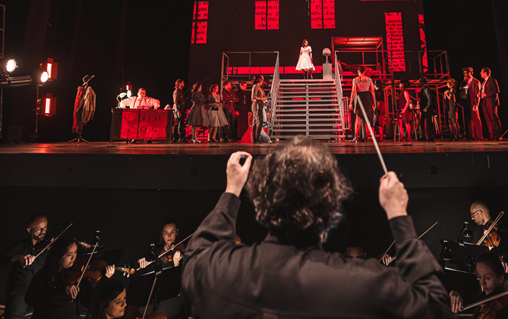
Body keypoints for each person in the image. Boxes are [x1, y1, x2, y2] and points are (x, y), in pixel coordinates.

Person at [182, 139, 453, 318]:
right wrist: (398, 214)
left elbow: (195, 255)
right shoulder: (368, 285)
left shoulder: (216, 274)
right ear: (332, 210)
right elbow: (435, 309)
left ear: (262, 203)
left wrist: (232, 190)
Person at [26, 236, 114, 319]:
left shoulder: (78, 274)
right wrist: (62, 291)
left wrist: (104, 280)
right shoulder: (44, 274)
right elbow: (30, 299)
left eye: (75, 252)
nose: (74, 257)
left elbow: (89, 302)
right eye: (69, 255)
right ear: (58, 256)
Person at [135, 219, 186, 319]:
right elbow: (139, 263)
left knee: (158, 316)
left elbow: (182, 280)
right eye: (166, 233)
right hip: (156, 294)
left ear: (177, 232)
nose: (169, 236)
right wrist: (141, 261)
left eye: (172, 232)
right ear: (162, 234)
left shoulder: (182, 251)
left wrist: (176, 264)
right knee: (139, 313)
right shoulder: (157, 251)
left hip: (174, 295)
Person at [1, 213, 49, 319]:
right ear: (29, 230)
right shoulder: (21, 245)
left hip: (41, 290)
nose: (43, 232)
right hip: (22, 290)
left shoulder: (48, 247)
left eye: (45, 228)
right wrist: (17, 258)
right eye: (39, 229)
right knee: (15, 313)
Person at [449, 252, 508, 319]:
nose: (482, 283)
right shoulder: (482, 298)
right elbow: (459, 302)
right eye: (479, 277)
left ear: (501, 278)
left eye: (487, 278)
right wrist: (453, 294)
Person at [349, 67, 376, 142]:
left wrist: (350, 102)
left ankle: (355, 137)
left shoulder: (355, 79)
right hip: (367, 97)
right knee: (367, 118)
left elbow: (353, 91)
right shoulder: (369, 79)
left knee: (358, 118)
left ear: (358, 71)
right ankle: (366, 136)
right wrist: (374, 102)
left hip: (359, 97)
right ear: (364, 71)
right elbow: (372, 91)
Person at [479, 68, 501, 140]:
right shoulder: (483, 82)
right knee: (487, 119)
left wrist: (486, 94)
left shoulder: (492, 80)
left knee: (494, 118)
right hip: (484, 102)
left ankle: (498, 135)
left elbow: (496, 90)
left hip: (491, 102)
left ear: (485, 73)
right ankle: (491, 135)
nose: (480, 73)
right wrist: (480, 95)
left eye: (481, 72)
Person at [463, 67, 484, 141]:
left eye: (466, 73)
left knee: (476, 119)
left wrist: (476, 104)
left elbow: (478, 94)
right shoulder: (465, 81)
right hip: (467, 102)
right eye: (464, 73)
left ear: (470, 73)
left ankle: (479, 135)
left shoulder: (476, 82)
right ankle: (472, 135)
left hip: (473, 103)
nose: (464, 74)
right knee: (469, 120)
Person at [251, 76, 271, 144]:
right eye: (262, 79)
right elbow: (253, 97)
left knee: (258, 122)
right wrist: (262, 99)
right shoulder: (255, 86)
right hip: (256, 105)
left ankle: (256, 138)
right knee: (258, 122)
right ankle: (256, 138)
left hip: (259, 105)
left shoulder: (259, 87)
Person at [419, 77, 437, 141]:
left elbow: (429, 99)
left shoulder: (426, 89)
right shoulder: (423, 89)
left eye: (420, 81)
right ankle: (423, 136)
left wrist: (427, 107)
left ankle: (430, 136)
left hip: (426, 108)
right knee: (422, 122)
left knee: (428, 122)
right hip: (423, 108)